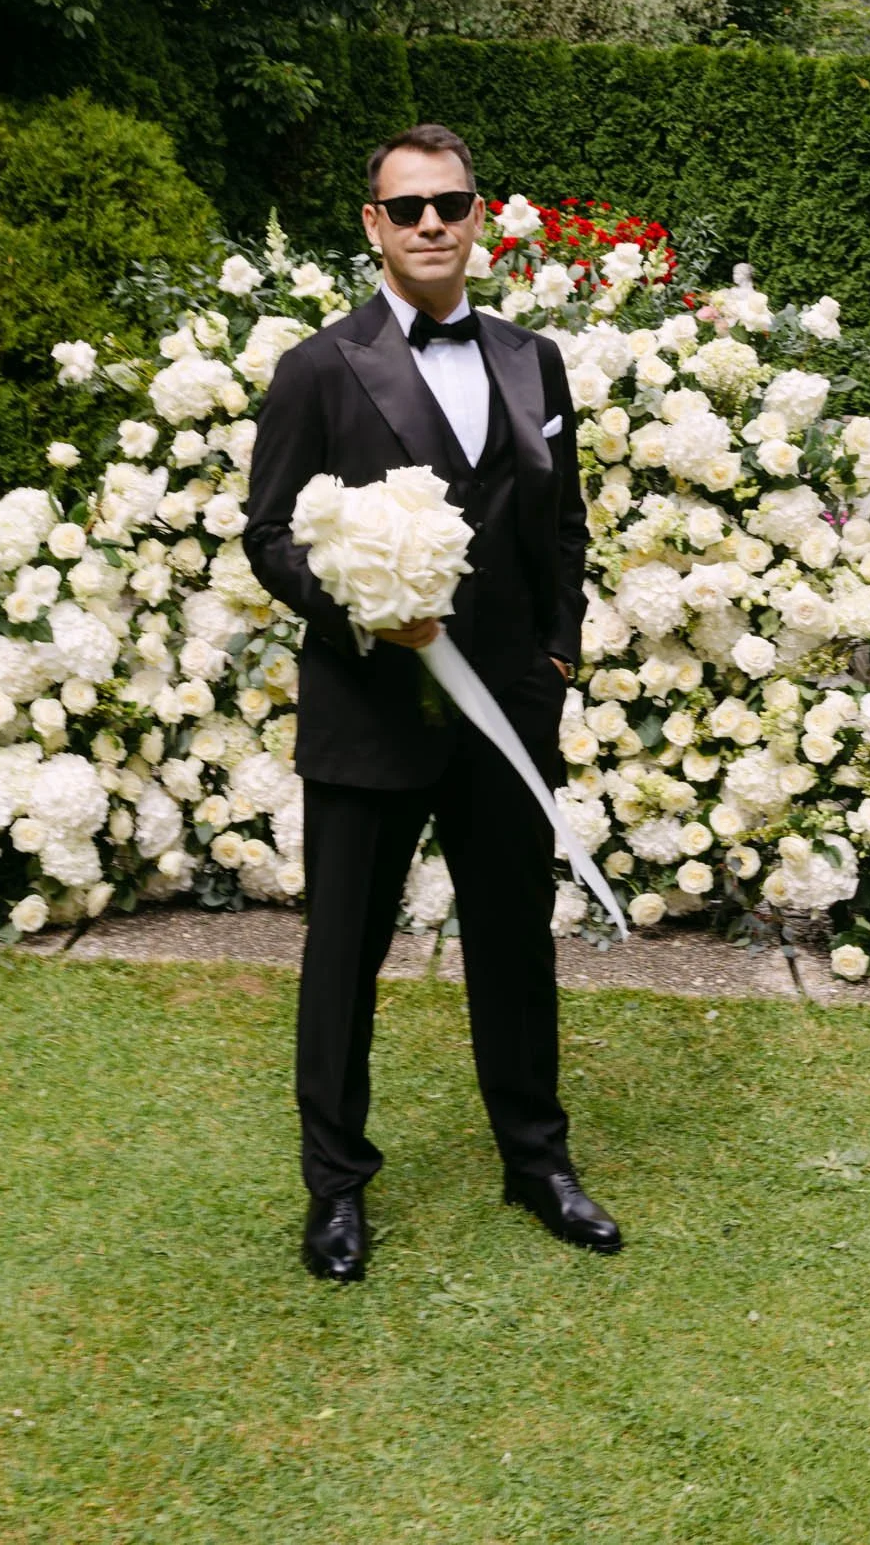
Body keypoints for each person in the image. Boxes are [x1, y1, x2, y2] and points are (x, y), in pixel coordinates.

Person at [244, 123, 622, 1282]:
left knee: (515, 943)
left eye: (447, 204)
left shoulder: (531, 358)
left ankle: (535, 1160)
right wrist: (360, 601)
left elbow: (560, 527)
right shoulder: (318, 366)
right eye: (404, 206)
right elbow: (266, 534)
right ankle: (335, 1190)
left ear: (474, 218)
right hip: (367, 710)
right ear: (371, 224)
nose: (427, 224)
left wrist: (555, 659)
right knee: (343, 956)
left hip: (506, 708)